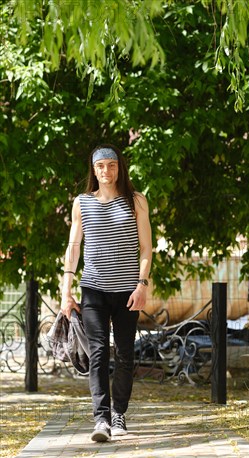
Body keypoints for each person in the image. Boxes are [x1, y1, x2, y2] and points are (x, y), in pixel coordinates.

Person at [61, 144, 152, 442]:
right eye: (100, 166)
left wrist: (142, 285)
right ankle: (101, 420)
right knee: (98, 352)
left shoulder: (136, 201)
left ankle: (118, 415)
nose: (106, 171)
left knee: (125, 354)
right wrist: (66, 290)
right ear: (94, 170)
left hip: (128, 291)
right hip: (93, 290)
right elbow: (74, 248)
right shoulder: (82, 203)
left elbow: (146, 249)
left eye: (111, 165)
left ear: (119, 167)